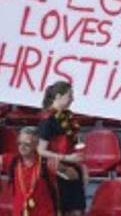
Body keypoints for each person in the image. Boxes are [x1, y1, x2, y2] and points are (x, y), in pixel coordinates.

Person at [0, 115, 58, 215]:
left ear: (36, 144)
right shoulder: (13, 161)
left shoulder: (45, 162)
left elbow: (72, 175)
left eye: (27, 144)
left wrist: (63, 168)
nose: (22, 147)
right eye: (19, 143)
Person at [36, 81, 87, 216]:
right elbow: (40, 150)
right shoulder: (47, 119)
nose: (73, 99)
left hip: (72, 165)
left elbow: (72, 145)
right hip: (56, 170)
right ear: (58, 96)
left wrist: (83, 167)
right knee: (63, 210)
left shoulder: (67, 116)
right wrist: (65, 158)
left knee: (77, 211)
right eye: (70, 96)